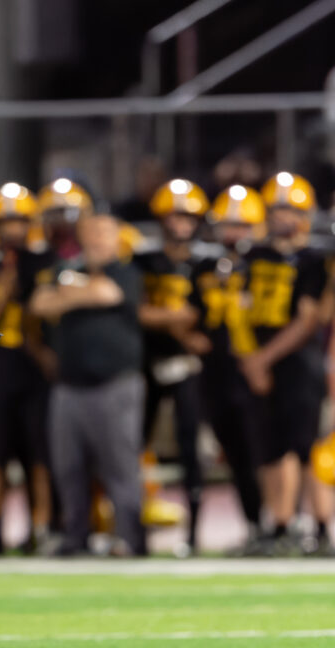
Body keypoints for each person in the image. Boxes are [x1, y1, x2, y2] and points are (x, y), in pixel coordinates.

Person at [30, 214, 146, 556]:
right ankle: (75, 536)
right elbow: (39, 303)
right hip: (69, 385)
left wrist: (68, 294)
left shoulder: (126, 271)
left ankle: (130, 537)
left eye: (103, 234)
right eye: (91, 233)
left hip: (116, 383)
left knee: (120, 465)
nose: (96, 240)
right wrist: (80, 293)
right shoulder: (63, 268)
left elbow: (107, 293)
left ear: (116, 239)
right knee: (69, 466)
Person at [241, 172, 327, 554]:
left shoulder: (314, 260)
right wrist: (250, 360)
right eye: (276, 209)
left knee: (303, 448)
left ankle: (314, 527)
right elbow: (236, 313)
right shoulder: (253, 257)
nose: (282, 217)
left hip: (299, 364)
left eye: (290, 209)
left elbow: (309, 320)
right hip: (261, 362)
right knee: (270, 447)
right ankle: (280, 524)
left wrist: (263, 358)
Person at [133, 179, 212, 552]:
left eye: (188, 216)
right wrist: (178, 323)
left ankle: (194, 533)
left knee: (189, 448)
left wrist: (165, 318)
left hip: (190, 365)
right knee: (135, 446)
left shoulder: (207, 261)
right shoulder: (144, 259)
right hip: (147, 362)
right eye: (175, 215)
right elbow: (137, 312)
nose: (181, 223)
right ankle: (135, 530)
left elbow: (204, 315)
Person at [0, 182, 55, 555]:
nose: (12, 230)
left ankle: (40, 527)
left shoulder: (43, 262)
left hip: (32, 362)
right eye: (5, 222)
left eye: (18, 221)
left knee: (38, 453)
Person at [190, 185, 267, 546]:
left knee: (264, 451)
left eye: (242, 225)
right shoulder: (204, 266)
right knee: (235, 453)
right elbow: (187, 312)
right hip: (216, 373)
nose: (234, 233)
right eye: (228, 224)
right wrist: (187, 336)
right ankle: (254, 525)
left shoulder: (265, 265)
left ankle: (278, 523)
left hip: (255, 370)